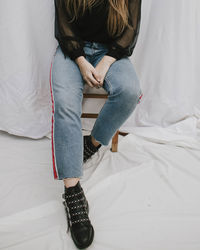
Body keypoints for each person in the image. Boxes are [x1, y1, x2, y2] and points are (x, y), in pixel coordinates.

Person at [49, 0, 143, 248]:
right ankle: (72, 190)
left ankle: (91, 143)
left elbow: (130, 29)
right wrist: (80, 60)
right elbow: (63, 27)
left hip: (110, 51)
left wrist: (107, 61)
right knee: (66, 103)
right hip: (72, 50)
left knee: (129, 92)